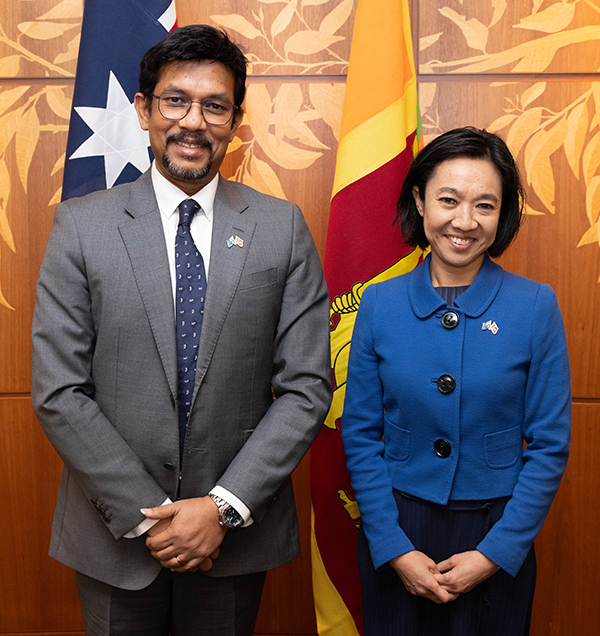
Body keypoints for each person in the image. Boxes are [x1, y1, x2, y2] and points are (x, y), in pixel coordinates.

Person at [32, 24, 331, 636]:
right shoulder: (81, 228)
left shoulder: (282, 228)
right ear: (143, 110)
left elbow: (306, 387)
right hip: (114, 536)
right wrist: (155, 519)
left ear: (235, 121)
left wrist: (220, 510)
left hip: (234, 539)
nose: (193, 122)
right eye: (175, 100)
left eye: (215, 106)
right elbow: (59, 391)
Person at [341, 127, 571, 635]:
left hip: (495, 531)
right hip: (398, 529)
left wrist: (496, 552)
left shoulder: (535, 306)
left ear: (502, 214)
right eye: (448, 200)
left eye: (485, 205)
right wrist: (393, 546)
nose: (464, 222)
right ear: (420, 201)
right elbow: (358, 435)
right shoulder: (378, 304)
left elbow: (550, 445)